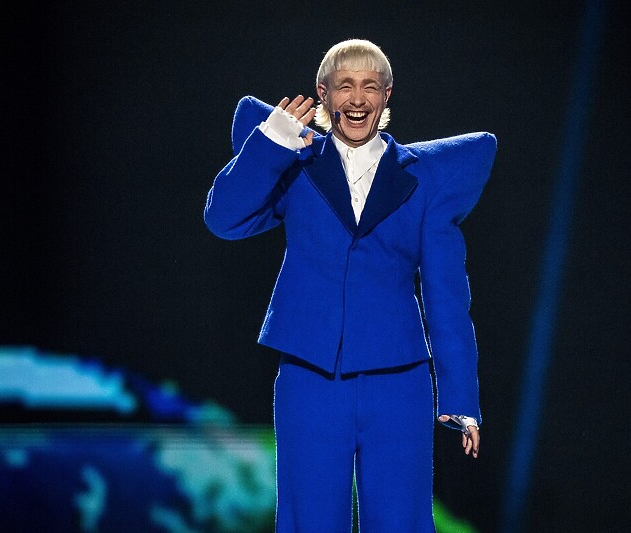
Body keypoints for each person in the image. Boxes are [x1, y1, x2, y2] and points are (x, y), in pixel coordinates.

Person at [204, 39, 496, 532]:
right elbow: (224, 219)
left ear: (386, 96)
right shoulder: (294, 165)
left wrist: (461, 397)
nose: (357, 98)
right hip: (310, 374)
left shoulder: (423, 179)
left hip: (398, 380)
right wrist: (271, 140)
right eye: (344, 85)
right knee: (309, 521)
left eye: (369, 86)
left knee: (401, 521)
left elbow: (447, 296)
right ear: (323, 94)